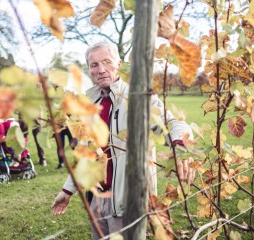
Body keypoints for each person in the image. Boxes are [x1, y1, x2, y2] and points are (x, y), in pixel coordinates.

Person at [51, 42, 195, 239]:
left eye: (106, 62)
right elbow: (87, 156)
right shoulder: (91, 105)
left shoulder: (137, 98)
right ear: (89, 69)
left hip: (128, 201)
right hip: (97, 199)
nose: (101, 70)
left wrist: (180, 146)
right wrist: (67, 190)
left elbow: (172, 123)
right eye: (94, 65)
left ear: (118, 64)